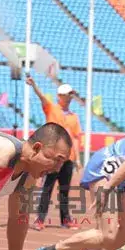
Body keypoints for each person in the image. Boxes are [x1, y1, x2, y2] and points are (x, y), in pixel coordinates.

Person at [27, 77, 83, 230]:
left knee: (65, 190)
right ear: (60, 96)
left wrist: (77, 159)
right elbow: (42, 98)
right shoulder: (52, 109)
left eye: (71, 94)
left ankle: (66, 220)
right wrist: (34, 85)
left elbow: (75, 138)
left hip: (68, 158)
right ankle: (40, 219)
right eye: (68, 94)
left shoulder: (74, 116)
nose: (70, 97)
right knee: (47, 188)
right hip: (52, 157)